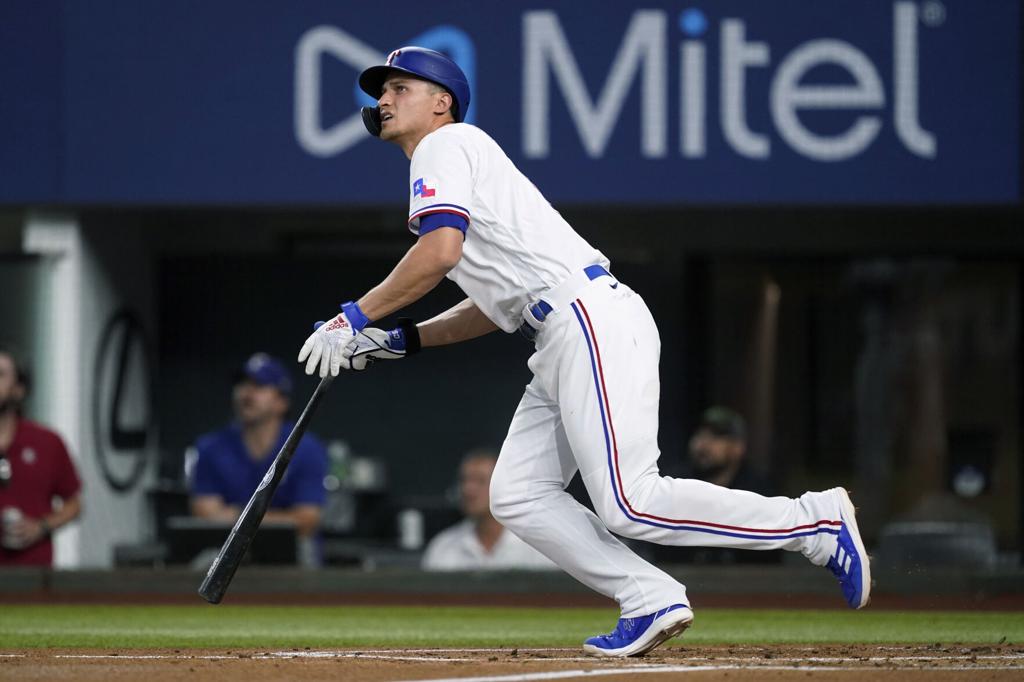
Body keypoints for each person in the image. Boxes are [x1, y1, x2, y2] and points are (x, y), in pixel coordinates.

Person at [296, 47, 870, 657]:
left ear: (442, 102)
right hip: (561, 328)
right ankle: (649, 595)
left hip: (585, 318)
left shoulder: (447, 144)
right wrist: (400, 339)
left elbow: (437, 254)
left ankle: (815, 521)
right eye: (381, 90)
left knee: (630, 502)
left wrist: (352, 317)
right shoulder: (457, 168)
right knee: (518, 493)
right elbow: (494, 307)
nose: (383, 99)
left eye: (400, 86)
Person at [189, 353, 327, 556]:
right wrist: (281, 519)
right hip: (226, 549)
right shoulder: (210, 447)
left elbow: (306, 521)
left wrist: (232, 516)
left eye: (259, 386)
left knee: (306, 550)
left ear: (282, 402)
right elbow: (204, 514)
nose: (247, 393)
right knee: (204, 560)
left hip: (290, 552)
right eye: (242, 384)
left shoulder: (306, 448)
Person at [0, 345, 82, 566]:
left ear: (19, 388)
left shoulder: (46, 442)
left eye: (1, 374)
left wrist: (41, 526)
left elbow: (74, 503)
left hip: (33, 577)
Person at [422, 450, 555, 571]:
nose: (468, 490)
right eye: (464, 480)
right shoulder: (442, 548)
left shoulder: (538, 547)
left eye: (480, 481)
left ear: (504, 486)